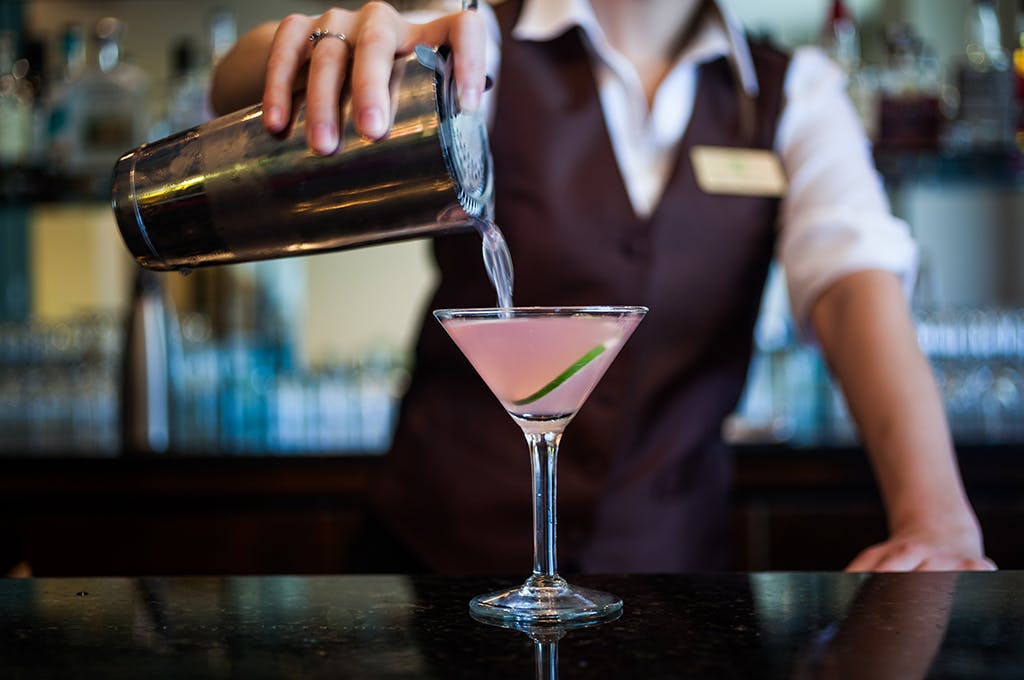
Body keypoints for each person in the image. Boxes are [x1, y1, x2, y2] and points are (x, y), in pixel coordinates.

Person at [212, 0, 995, 573]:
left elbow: (855, 283)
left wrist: (937, 521)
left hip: (675, 592)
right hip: (433, 574)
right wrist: (318, 47)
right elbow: (237, 89)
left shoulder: (793, 92)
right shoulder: (475, 35)